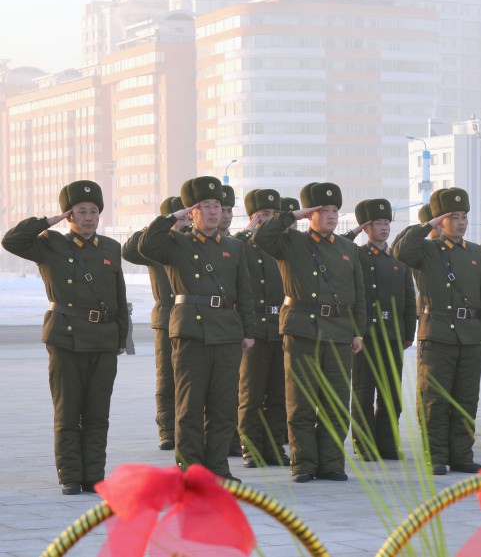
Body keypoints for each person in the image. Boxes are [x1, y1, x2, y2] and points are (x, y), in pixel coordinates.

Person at [2, 180, 128, 495]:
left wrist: (122, 338)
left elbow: (118, 294)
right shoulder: (51, 244)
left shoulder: (111, 248)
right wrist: (50, 221)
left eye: (94, 211)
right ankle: (71, 475)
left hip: (103, 338)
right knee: (69, 410)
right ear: (69, 215)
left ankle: (94, 475)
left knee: (98, 413)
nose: (88, 217)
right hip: (66, 338)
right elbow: (12, 240)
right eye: (81, 211)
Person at [137, 175, 254, 481]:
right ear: (192, 211)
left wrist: (248, 331)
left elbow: (245, 292)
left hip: (227, 332)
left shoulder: (233, 246)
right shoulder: (177, 243)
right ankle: (191, 470)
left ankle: (218, 467)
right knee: (190, 405)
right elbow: (145, 244)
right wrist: (173, 216)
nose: (214, 211)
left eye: (217, 205)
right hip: (191, 330)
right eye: (205, 205)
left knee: (223, 405)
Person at [253, 182, 366, 483]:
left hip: (340, 332)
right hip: (302, 330)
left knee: (336, 401)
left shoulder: (348, 249)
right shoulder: (290, 241)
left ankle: (331, 462)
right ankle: (303, 463)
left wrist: (358, 331)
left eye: (334, 210)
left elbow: (359, 294)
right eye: (323, 210)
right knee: (301, 400)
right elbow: (261, 236)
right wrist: (292, 215)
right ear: (310, 214)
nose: (330, 215)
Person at [396, 187, 481, 476]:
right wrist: (427, 225)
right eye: (453, 216)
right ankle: (436, 456)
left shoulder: (476, 252)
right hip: (437, 333)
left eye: (464, 216)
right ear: (441, 220)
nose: (461, 222)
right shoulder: (426, 250)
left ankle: (462, 455)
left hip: (471, 335)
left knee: (466, 398)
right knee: (435, 399)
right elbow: (400, 250)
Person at [349, 198, 417, 460]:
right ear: (366, 227)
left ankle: (387, 444)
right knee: (363, 394)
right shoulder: (356, 255)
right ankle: (364, 445)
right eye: (377, 223)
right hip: (365, 336)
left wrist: (408, 333)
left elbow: (409, 299)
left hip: (392, 335)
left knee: (390, 393)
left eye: (387, 222)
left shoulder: (399, 259)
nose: (384, 227)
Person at [122, 196, 190, 451]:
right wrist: (158, 225)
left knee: (191, 378)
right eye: (178, 218)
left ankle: (189, 430)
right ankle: (167, 431)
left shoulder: (190, 244)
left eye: (185, 218)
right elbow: (128, 250)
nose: (182, 223)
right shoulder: (154, 248)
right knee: (166, 380)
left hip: (193, 319)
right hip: (165, 319)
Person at [232, 189, 289, 468]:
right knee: (251, 393)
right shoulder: (241, 246)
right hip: (254, 326)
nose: (268, 220)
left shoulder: (285, 246)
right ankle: (251, 447)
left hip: (281, 326)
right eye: (263, 215)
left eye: (273, 215)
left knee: (279, 393)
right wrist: (246, 232)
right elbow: (227, 251)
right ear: (252, 217)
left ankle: (275, 446)